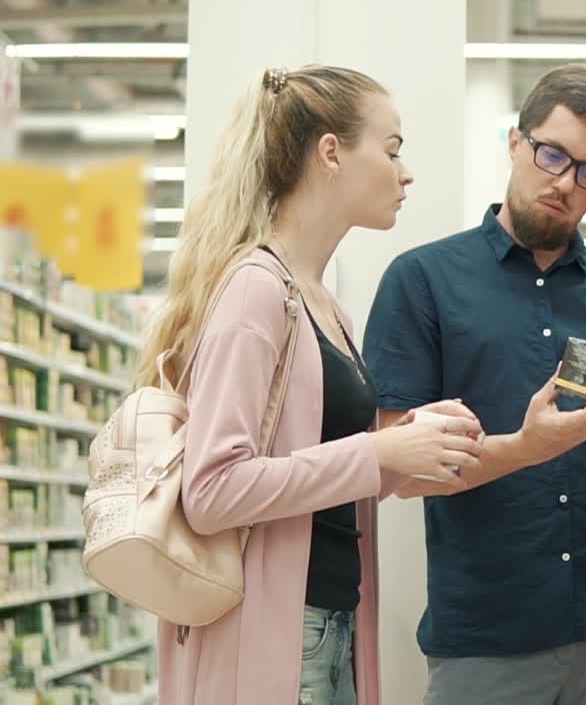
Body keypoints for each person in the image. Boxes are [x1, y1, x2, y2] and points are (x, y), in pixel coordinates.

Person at [137, 65, 485, 705]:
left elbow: (321, 476)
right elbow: (211, 490)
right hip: (277, 635)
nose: (405, 173)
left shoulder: (324, 306)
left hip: (329, 625)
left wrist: (407, 446)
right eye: (392, 150)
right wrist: (376, 451)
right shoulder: (255, 289)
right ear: (331, 152)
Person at [363, 63, 586, 705]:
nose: (565, 183)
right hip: (486, 632)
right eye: (553, 155)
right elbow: (399, 475)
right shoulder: (423, 280)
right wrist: (526, 446)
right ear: (516, 142)